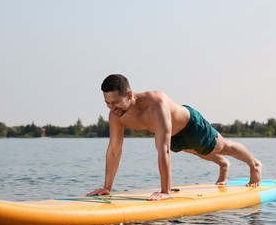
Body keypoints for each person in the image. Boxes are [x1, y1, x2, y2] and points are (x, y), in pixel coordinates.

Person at [87, 74, 262, 201]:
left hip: (191, 126)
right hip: (174, 137)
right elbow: (114, 151)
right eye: (107, 103)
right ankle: (223, 164)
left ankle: (254, 165)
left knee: (224, 147)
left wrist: (165, 191)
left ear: (130, 95)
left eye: (115, 102)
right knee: (197, 152)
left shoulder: (156, 104)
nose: (111, 108)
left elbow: (163, 150)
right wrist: (107, 187)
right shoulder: (116, 115)